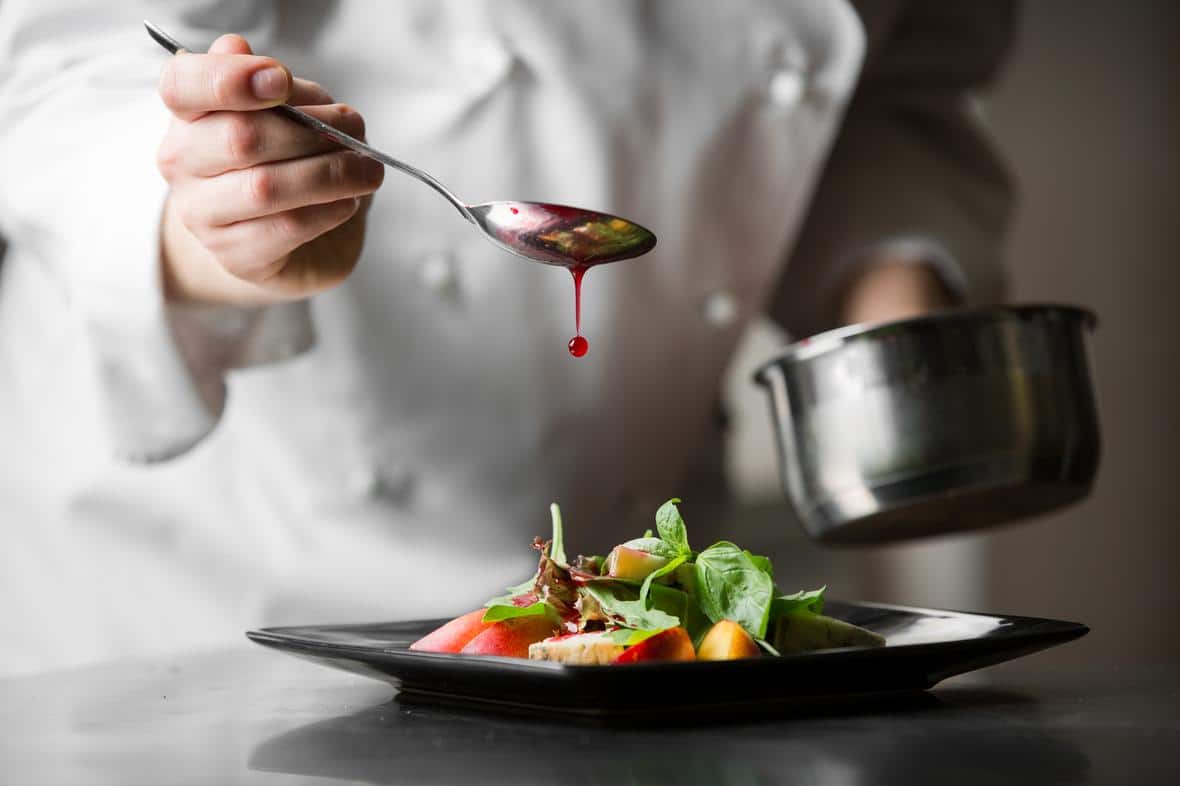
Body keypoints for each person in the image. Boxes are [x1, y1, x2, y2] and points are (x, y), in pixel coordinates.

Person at [0, 1, 1014, 676]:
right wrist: (221, 217)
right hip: (218, 590)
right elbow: (62, 62)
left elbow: (891, 85)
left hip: (650, 597)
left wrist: (896, 301)